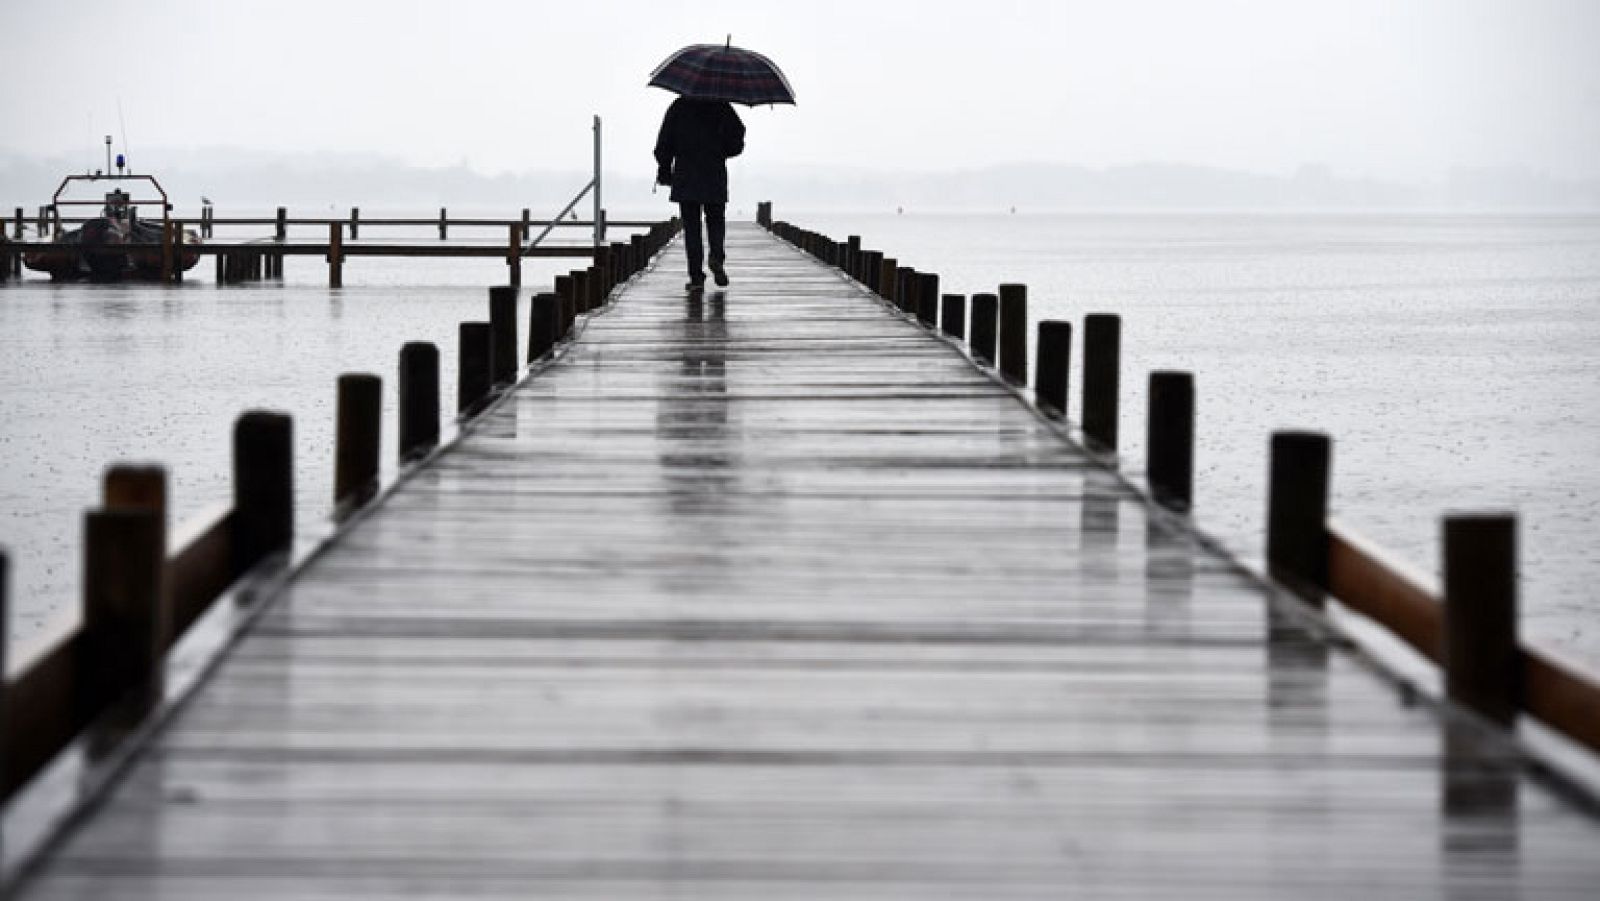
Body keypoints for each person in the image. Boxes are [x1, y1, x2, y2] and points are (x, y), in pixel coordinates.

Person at [654, 97, 745, 289]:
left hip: (686, 174)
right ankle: (716, 257)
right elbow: (738, 135)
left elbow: (664, 141)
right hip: (714, 172)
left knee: (692, 228)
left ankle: (696, 277)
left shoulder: (679, 106)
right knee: (716, 221)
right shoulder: (722, 106)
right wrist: (722, 150)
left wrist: (664, 168)